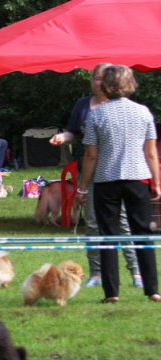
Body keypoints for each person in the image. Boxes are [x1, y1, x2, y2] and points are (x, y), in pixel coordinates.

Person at [49, 63, 143, 288]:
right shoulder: (83, 105)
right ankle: (96, 273)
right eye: (96, 78)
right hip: (88, 174)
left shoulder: (122, 107)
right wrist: (64, 137)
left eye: (103, 78)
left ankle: (135, 272)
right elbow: (74, 131)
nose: (99, 82)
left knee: (122, 223)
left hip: (115, 173)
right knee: (91, 223)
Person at [76, 65, 160, 303]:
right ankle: (153, 289)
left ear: (104, 86)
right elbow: (151, 152)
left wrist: (82, 187)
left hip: (106, 180)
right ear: (130, 84)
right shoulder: (144, 113)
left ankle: (112, 292)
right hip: (137, 179)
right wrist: (157, 182)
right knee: (143, 233)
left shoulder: (97, 115)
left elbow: (91, 155)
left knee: (108, 235)